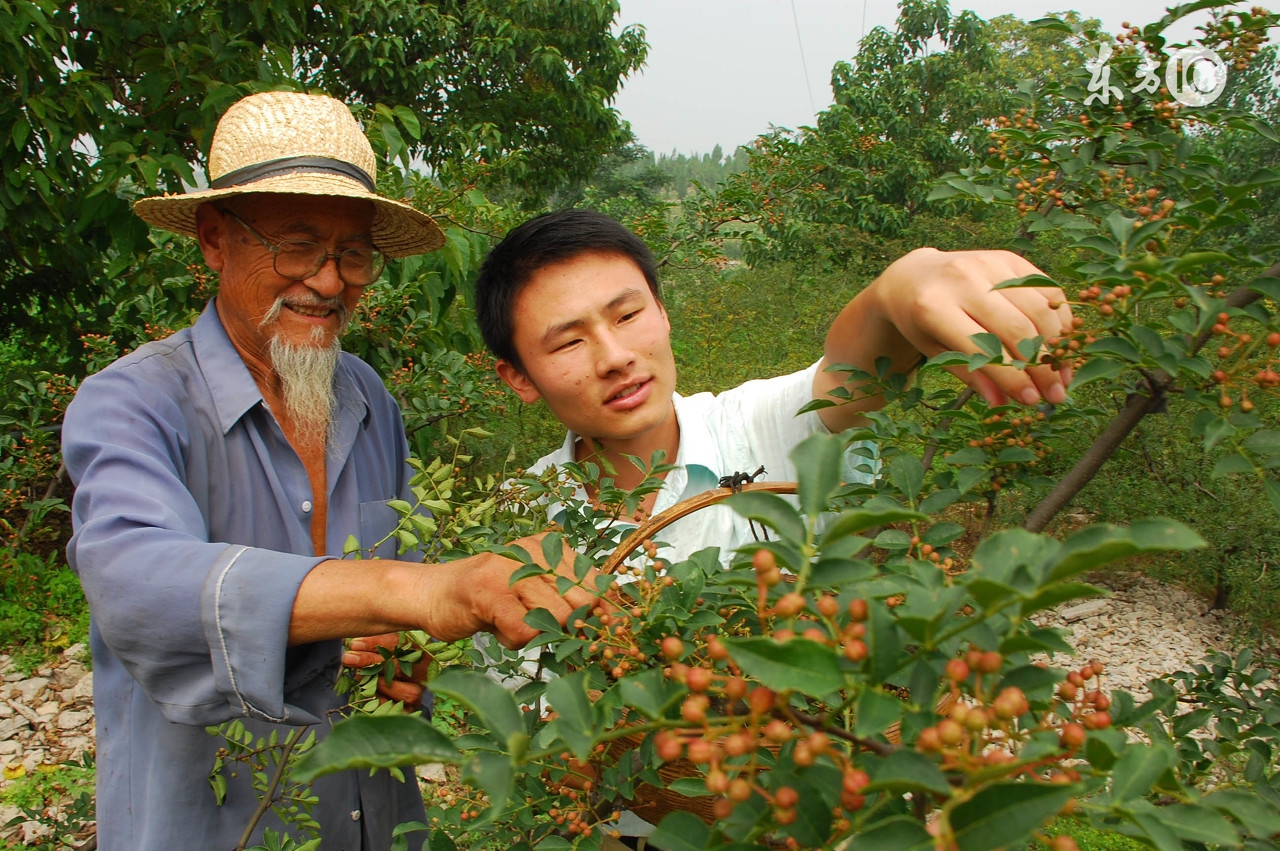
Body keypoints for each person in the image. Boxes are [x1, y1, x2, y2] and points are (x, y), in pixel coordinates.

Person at [62, 92, 591, 851]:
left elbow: (395, 605)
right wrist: (424, 590)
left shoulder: (365, 395)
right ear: (214, 239)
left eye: (351, 254)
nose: (329, 281)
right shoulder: (134, 401)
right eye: (298, 246)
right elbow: (135, 581)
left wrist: (407, 658)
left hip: (373, 819)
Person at [473, 209, 1073, 566]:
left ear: (663, 311)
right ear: (519, 376)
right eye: (569, 342)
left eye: (628, 315)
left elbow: (851, 369)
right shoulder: (520, 519)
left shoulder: (761, 426)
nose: (616, 357)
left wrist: (902, 288)